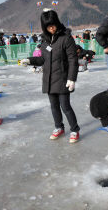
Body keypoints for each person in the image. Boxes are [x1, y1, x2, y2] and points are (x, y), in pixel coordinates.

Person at [27, 10, 80, 143]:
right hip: (49, 80)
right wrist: (30, 60)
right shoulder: (45, 42)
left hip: (63, 79)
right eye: (48, 26)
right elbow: (42, 60)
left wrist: (72, 78)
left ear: (56, 23)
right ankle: (59, 127)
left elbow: (73, 60)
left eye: (53, 24)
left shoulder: (66, 38)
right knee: (54, 106)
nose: (51, 28)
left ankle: (74, 129)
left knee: (65, 107)